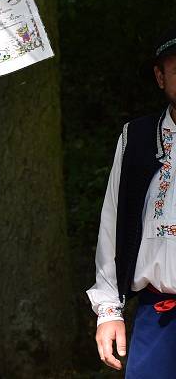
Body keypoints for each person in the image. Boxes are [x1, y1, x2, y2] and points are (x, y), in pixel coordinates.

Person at [88, 27, 176, 375]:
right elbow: (113, 224)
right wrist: (109, 309)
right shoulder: (137, 138)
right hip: (160, 316)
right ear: (159, 77)